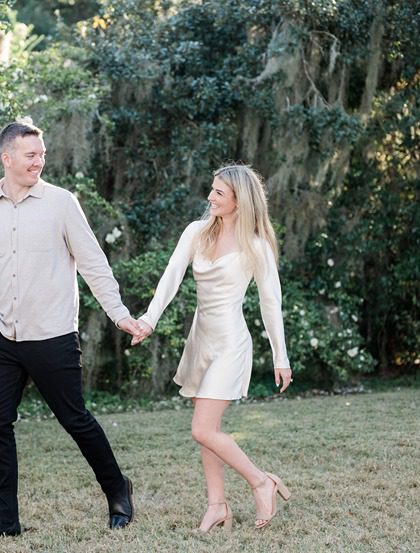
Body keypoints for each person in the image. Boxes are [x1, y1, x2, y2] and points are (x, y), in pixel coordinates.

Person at [0, 121, 141, 543]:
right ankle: (5, 517)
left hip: (53, 334)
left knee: (74, 419)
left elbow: (93, 263)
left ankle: (117, 489)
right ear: (7, 158)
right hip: (2, 335)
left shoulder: (62, 203)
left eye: (42, 154)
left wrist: (119, 315)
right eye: (31, 155)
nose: (39, 161)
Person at [132, 164, 292, 531]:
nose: (210, 196)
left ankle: (261, 481)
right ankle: (217, 505)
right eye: (212, 189)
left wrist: (280, 356)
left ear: (240, 200)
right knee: (211, 428)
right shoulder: (196, 232)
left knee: (203, 429)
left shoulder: (257, 245)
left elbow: (271, 304)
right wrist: (149, 320)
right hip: (200, 341)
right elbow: (171, 276)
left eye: (219, 192)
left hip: (231, 344)